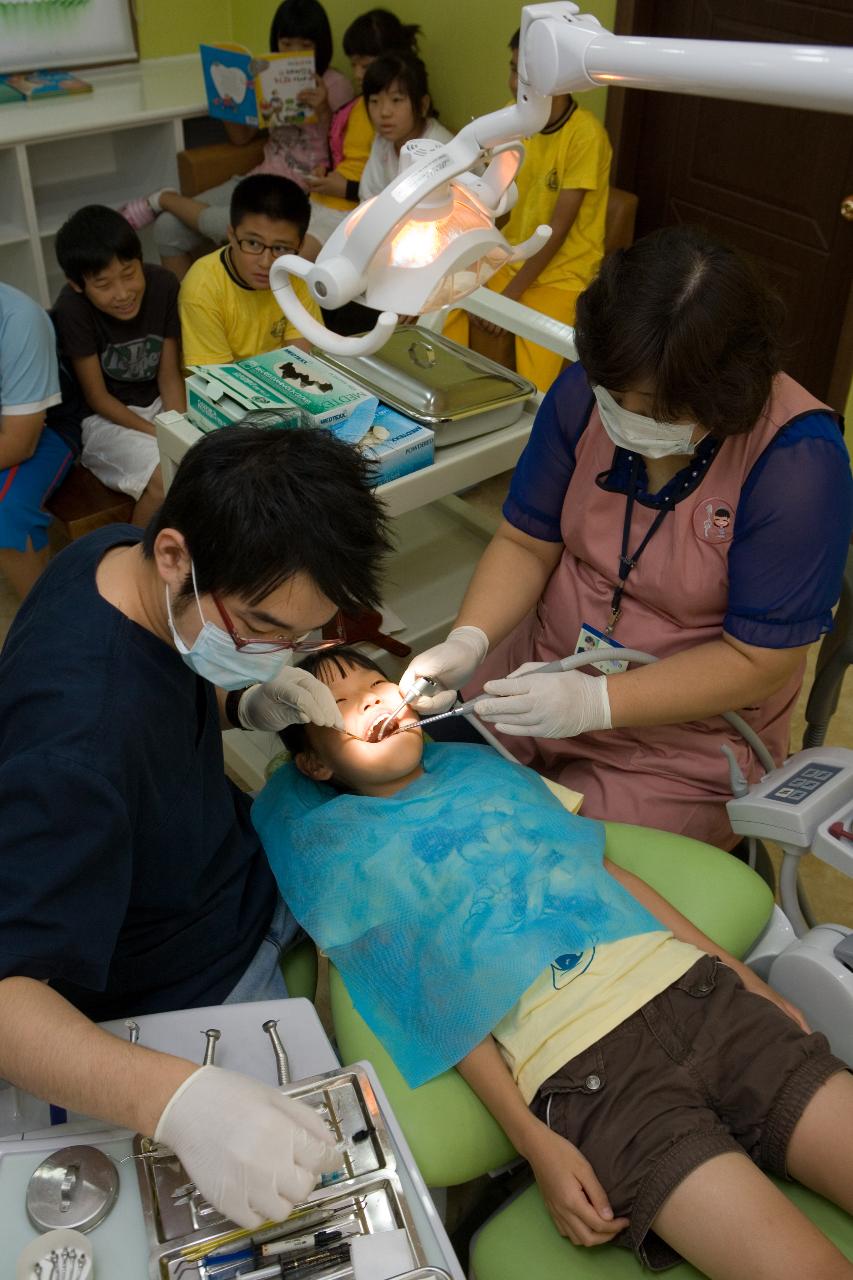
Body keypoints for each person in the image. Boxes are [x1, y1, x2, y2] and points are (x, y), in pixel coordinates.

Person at [254, 648, 853, 1280]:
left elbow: (612, 877)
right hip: (596, 1081)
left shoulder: (490, 774)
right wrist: (535, 1145)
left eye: (379, 684)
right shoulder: (352, 861)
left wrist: (745, 977)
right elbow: (434, 1007)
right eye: (345, 705)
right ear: (314, 764)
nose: (375, 699)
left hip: (702, 998)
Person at [0, 424, 391, 1229]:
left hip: (230, 858)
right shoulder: (77, 748)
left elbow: (166, 671)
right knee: (317, 1193)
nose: (284, 651)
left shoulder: (111, 553)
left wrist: (244, 699)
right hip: (182, 973)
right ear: (175, 556)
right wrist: (179, 1102)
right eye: (260, 627)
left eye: (305, 633)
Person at [399, 226, 853, 852]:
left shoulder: (798, 462)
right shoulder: (587, 391)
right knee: (422, 789)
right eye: (618, 398)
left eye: (660, 411)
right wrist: (468, 639)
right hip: (538, 666)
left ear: (725, 393)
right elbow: (526, 543)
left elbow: (760, 660)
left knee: (546, 861)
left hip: (684, 738)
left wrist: (597, 704)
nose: (630, 420)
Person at [122, 0, 353, 280]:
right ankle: (190, 318)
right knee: (167, 229)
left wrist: (324, 110)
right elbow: (241, 139)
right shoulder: (267, 74)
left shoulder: (336, 85)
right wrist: (230, 100)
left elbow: (343, 156)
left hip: (300, 193)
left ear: (321, 45)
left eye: (304, 44)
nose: (294, 52)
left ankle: (163, 198)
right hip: (259, 178)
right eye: (286, 43)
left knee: (226, 226)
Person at [444, 28, 611, 393]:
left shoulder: (586, 136)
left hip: (562, 273)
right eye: (512, 69)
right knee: (442, 307)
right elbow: (490, 200)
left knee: (539, 378)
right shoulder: (511, 118)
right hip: (509, 254)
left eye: (526, 76)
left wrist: (509, 298)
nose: (514, 83)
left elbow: (557, 230)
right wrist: (472, 262)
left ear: (560, 80)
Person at [53, 206, 185, 526]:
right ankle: (133, 562)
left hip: (160, 405)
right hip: (105, 421)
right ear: (77, 285)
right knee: (166, 477)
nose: (123, 293)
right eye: (104, 284)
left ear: (140, 260)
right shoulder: (72, 309)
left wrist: (179, 428)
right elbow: (97, 397)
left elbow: (169, 376)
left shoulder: (164, 285)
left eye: (129, 274)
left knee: (206, 460)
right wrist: (159, 436)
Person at [301, 8, 421, 261]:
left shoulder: (395, 119)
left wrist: (345, 188)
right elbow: (344, 153)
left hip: (348, 210)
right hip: (324, 200)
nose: (356, 73)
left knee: (292, 260)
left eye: (365, 65)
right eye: (353, 63)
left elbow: (390, 190)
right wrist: (327, 170)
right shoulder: (357, 106)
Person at [178, 173, 321, 368]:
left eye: (280, 248)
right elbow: (218, 383)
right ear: (231, 235)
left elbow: (300, 364)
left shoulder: (296, 274)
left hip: (283, 387)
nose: (265, 262)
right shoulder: (202, 288)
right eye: (253, 243)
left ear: (300, 245)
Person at [0, 284, 80, 598]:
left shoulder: (18, 319)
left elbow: (20, 442)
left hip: (46, 427)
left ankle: (47, 620)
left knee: (6, 510)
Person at [358, 50, 453, 201]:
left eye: (396, 100)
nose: (384, 112)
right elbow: (368, 197)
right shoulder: (382, 142)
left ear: (423, 105)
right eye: (375, 101)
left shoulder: (440, 148)